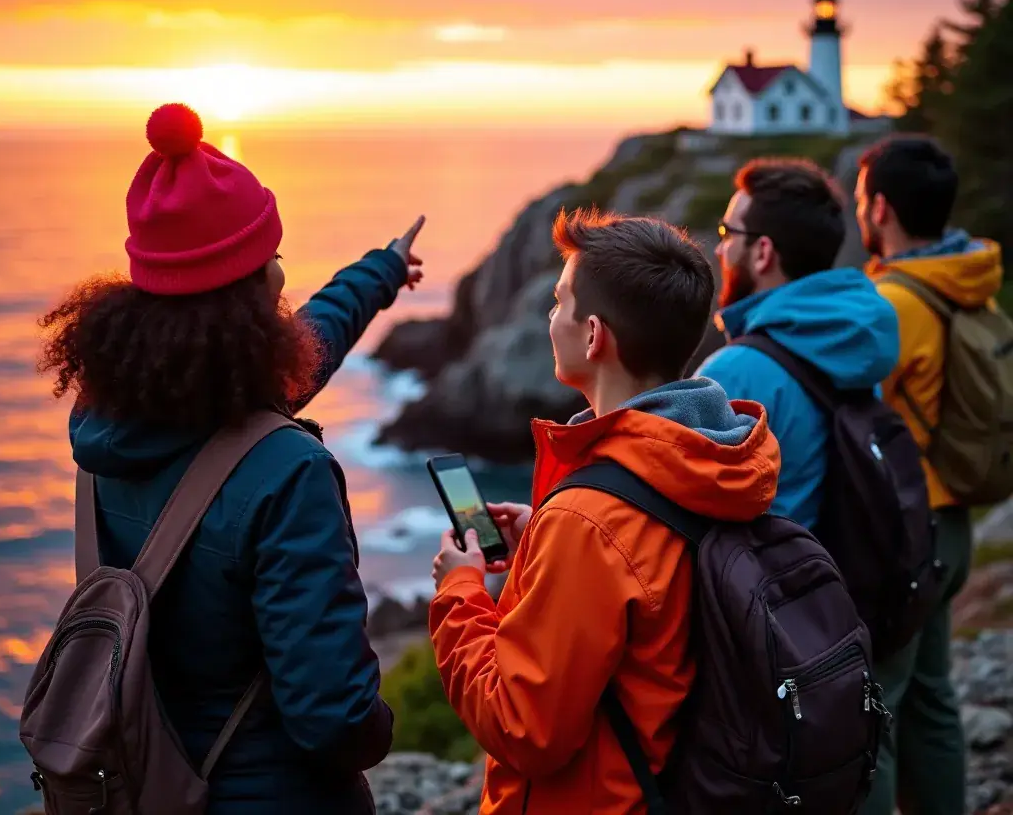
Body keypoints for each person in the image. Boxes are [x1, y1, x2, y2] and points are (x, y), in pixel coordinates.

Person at [38, 103, 426, 814]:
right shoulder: (286, 471)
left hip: (141, 783)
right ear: (252, 295)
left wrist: (382, 271)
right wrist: (389, 724)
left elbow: (310, 341)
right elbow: (331, 717)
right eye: (273, 262)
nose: (283, 273)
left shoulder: (106, 418)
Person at [428, 207, 780, 815]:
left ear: (593, 335)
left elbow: (523, 728)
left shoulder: (591, 521)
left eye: (558, 300)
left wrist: (459, 591)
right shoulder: (711, 453)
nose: (548, 315)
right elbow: (655, 582)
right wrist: (543, 538)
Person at [855, 135, 1004, 815]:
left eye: (862, 200)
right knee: (933, 698)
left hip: (907, 532)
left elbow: (857, 420)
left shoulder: (895, 305)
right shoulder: (971, 283)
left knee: (873, 714)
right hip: (954, 523)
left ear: (880, 208)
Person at [695, 157, 899, 528]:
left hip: (772, 582)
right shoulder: (854, 338)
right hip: (847, 574)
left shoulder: (731, 373)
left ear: (763, 253)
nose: (720, 250)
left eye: (728, 234)